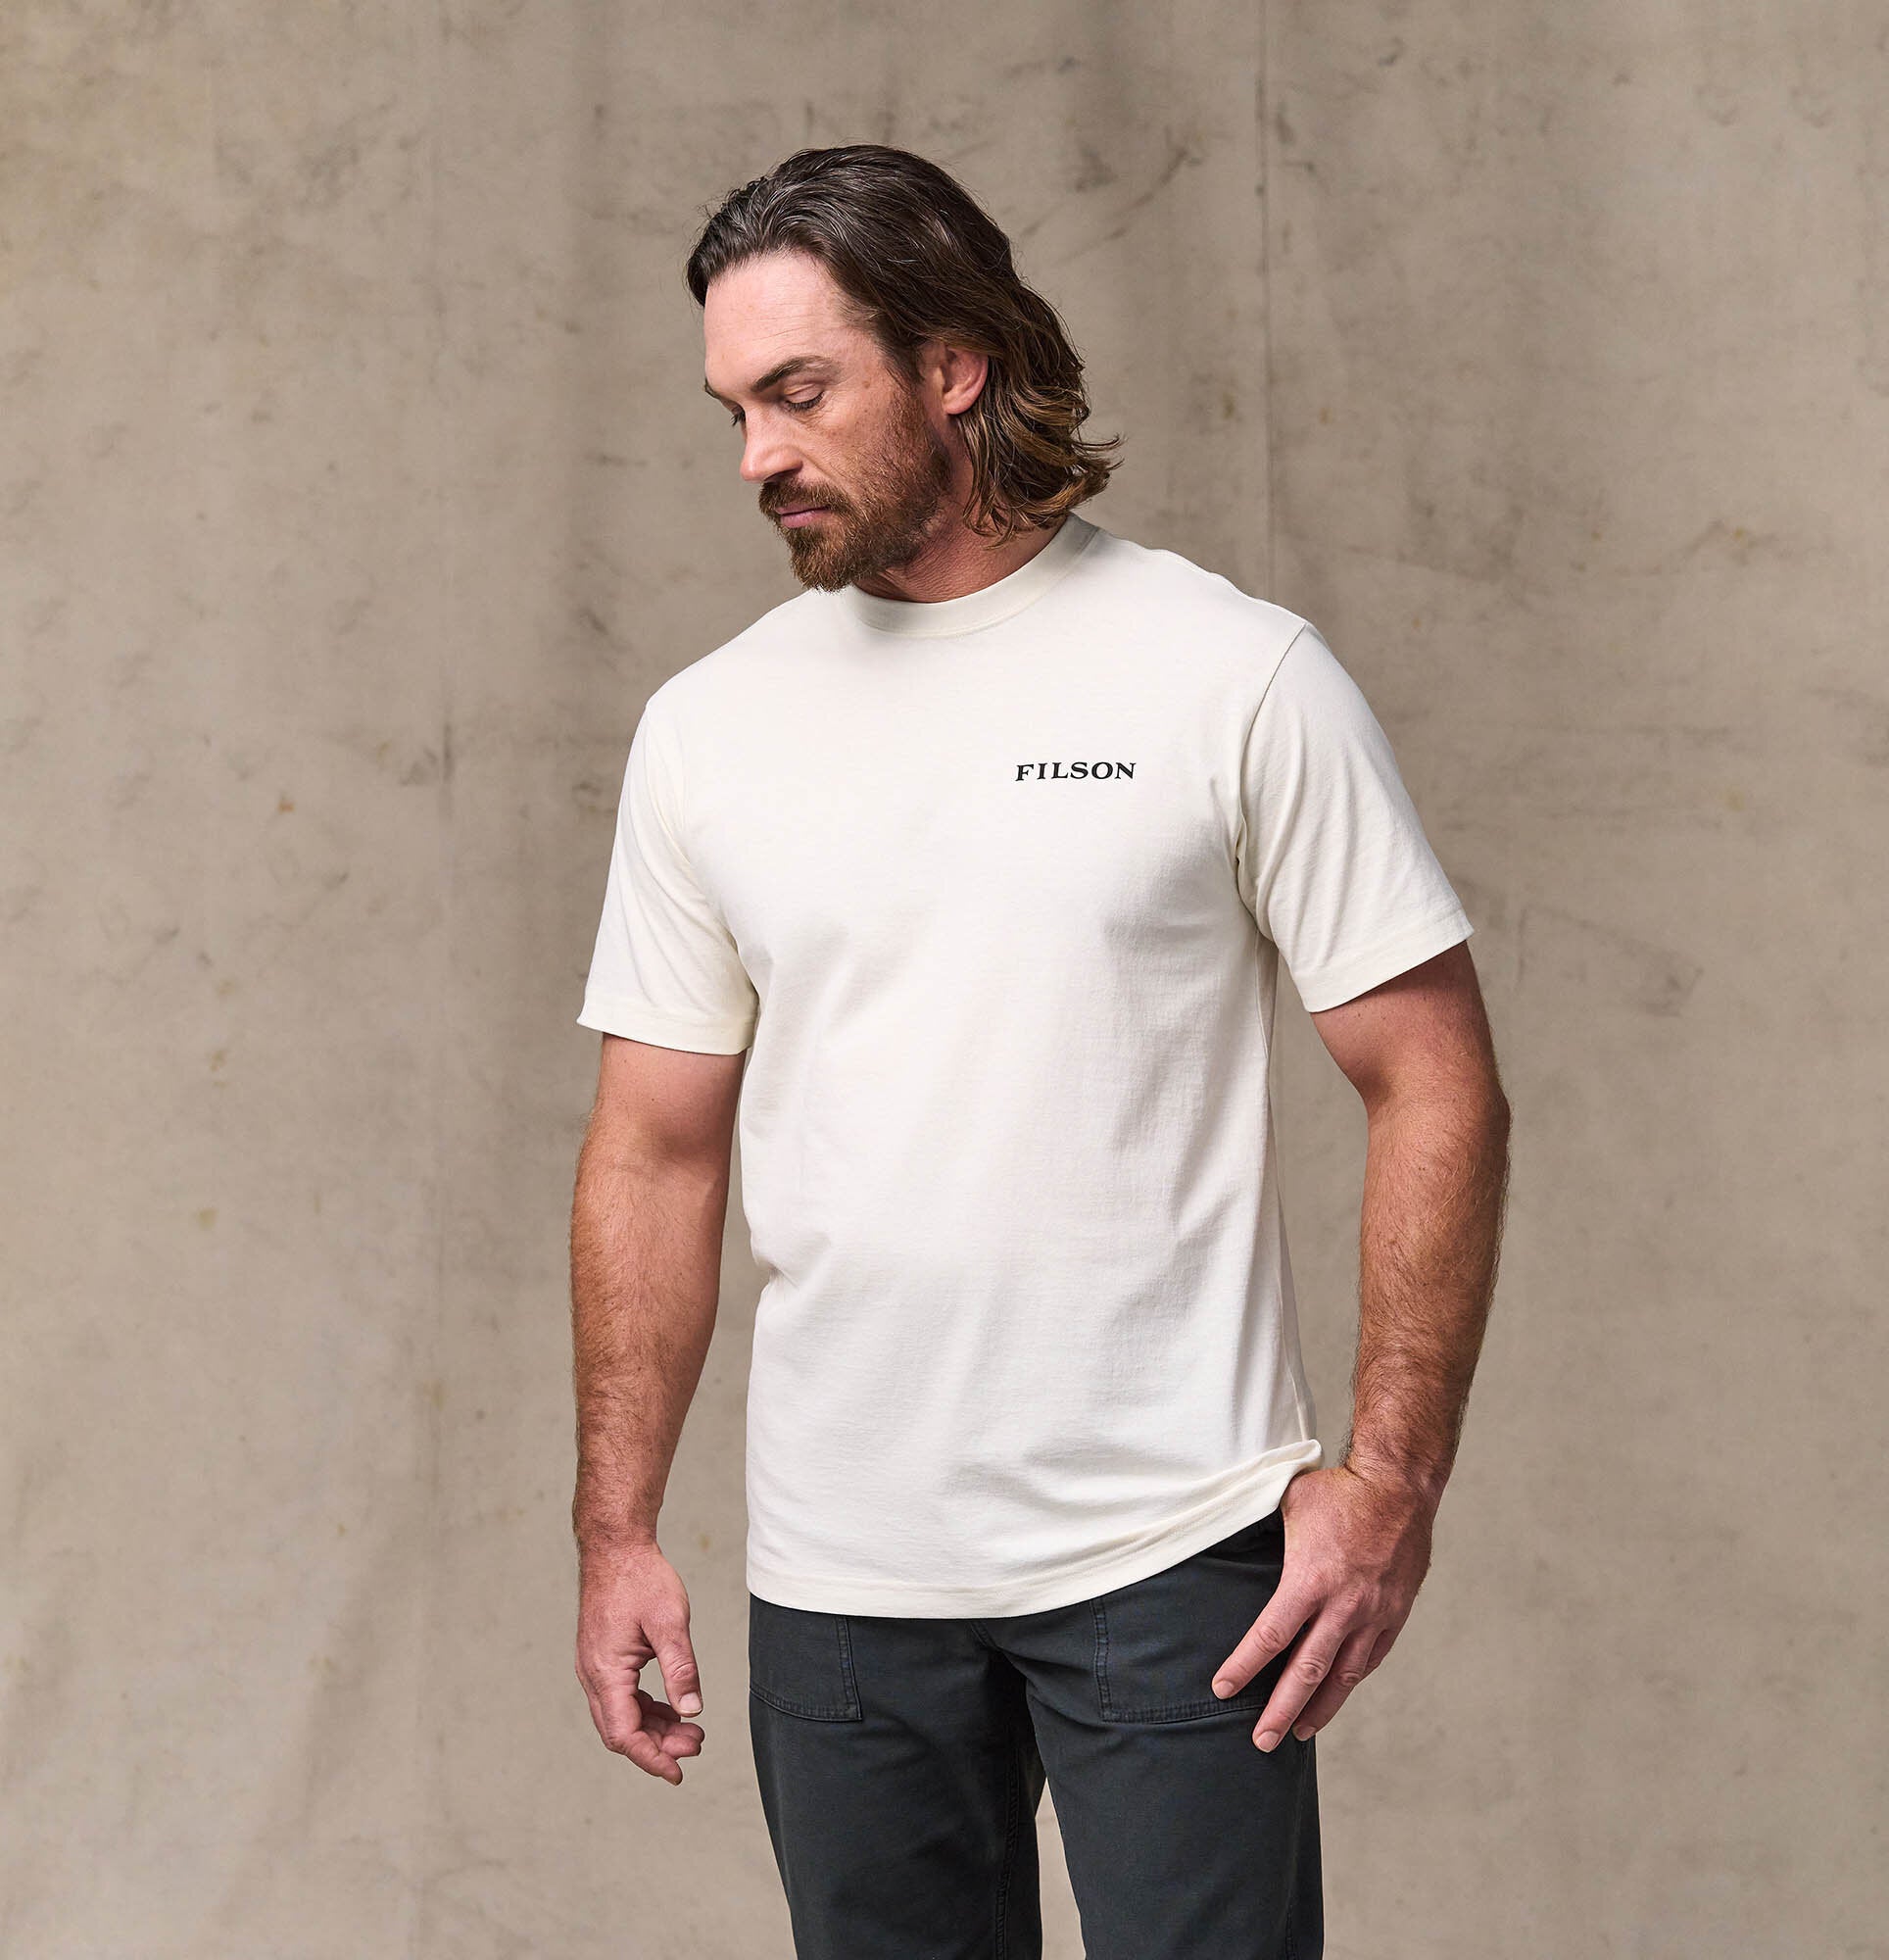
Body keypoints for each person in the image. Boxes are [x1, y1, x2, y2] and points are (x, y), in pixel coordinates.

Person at [568, 143, 1510, 1960]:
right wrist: (617, 1532)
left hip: (1180, 1559)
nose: (757, 454)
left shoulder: (1229, 673)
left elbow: (1434, 1072)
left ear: (953, 364)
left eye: (798, 393)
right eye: (735, 411)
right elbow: (653, 1149)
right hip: (842, 1586)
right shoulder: (709, 731)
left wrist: (1389, 1483)